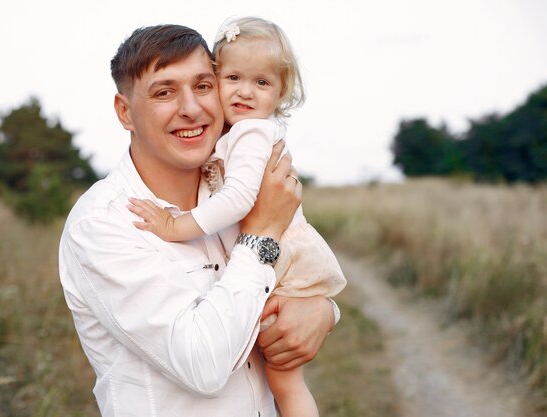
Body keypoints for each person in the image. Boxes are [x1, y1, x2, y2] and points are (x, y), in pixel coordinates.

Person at [58, 24, 340, 417]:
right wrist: (261, 235)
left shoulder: (227, 187)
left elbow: (289, 269)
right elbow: (202, 365)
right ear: (125, 112)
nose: (191, 108)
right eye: (164, 92)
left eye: (203, 86)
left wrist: (322, 309)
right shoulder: (104, 223)